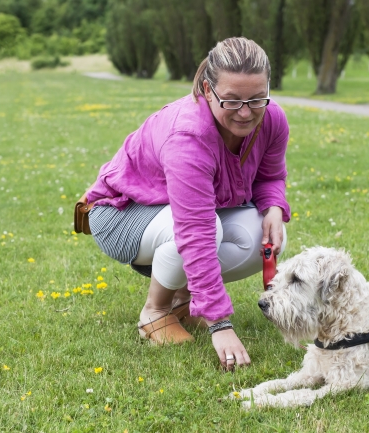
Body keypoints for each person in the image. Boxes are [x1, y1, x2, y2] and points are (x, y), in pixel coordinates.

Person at [85, 37, 290, 370]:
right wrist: (220, 324)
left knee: (261, 236)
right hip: (121, 215)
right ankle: (155, 312)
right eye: (232, 100)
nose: (246, 112)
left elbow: (270, 177)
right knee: (210, 229)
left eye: (257, 99)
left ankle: (183, 303)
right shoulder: (188, 137)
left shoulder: (272, 119)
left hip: (184, 215)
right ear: (208, 90)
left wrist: (274, 208)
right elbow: (196, 232)